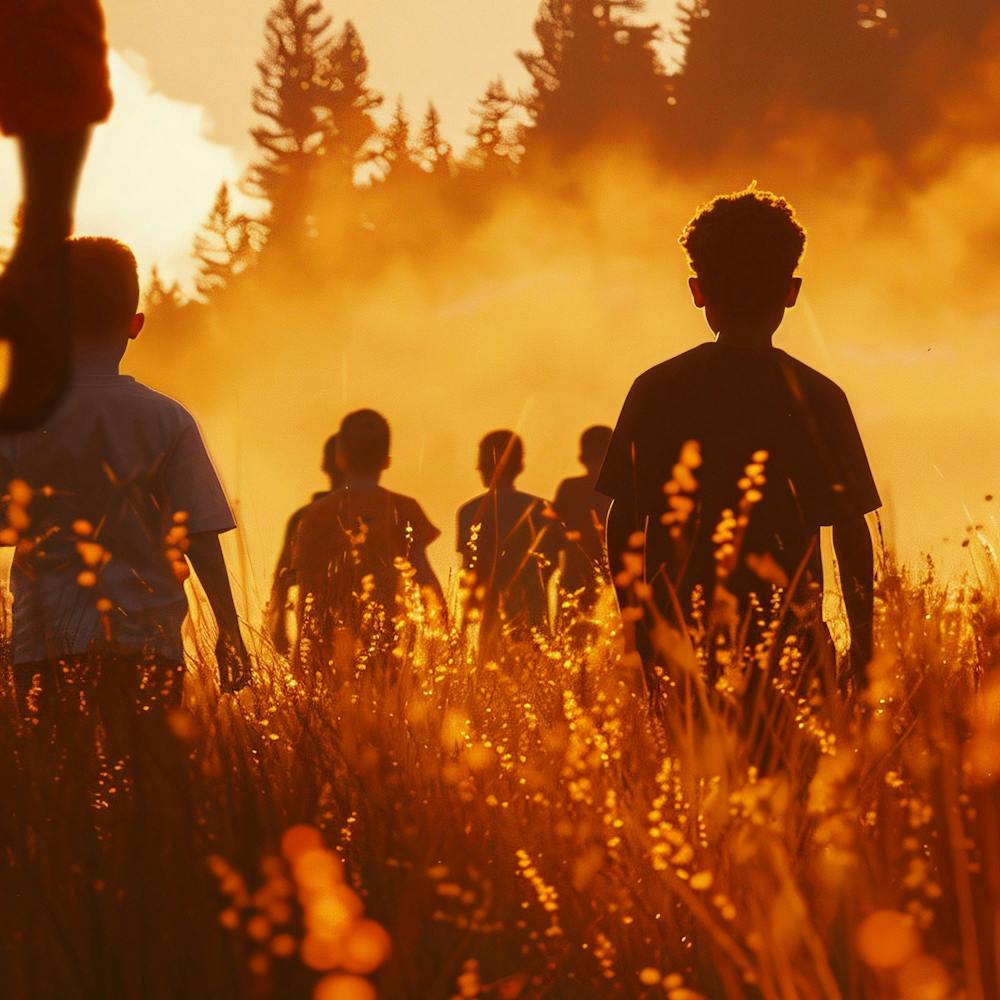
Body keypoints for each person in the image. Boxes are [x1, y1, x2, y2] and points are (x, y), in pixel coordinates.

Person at [598, 188, 879, 692]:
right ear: (791, 292)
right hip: (794, 650)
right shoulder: (818, 396)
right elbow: (851, 532)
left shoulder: (658, 389)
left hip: (680, 647)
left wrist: (636, 634)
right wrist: (864, 647)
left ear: (697, 289)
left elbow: (624, 520)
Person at [0, 237, 251, 710]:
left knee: (58, 778)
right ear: (134, 325)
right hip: (146, 647)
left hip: (45, 645)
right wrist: (229, 630)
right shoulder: (167, 418)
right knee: (144, 776)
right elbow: (199, 534)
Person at [0, 0, 113, 429]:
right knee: (44, 226)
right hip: (55, 64)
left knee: (44, 227)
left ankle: (27, 323)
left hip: (53, 64)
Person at [292, 409, 444, 665]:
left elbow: (307, 591)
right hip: (388, 651)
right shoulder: (404, 508)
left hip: (328, 655)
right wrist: (445, 630)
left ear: (340, 459)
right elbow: (424, 576)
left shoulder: (316, 515)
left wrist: (302, 653)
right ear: (386, 460)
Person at [457, 431, 561, 653]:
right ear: (520, 466)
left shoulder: (470, 512)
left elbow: (469, 575)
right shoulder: (544, 510)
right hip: (534, 616)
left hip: (489, 620)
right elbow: (554, 569)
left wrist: (463, 630)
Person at [268, 434, 344, 654]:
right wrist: (279, 624)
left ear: (325, 465)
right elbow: (284, 576)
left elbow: (283, 577)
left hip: (314, 636)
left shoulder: (303, 517)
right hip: (322, 636)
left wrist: (279, 624)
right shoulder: (305, 518)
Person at [553, 425, 613, 610]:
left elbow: (555, 536)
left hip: (574, 579)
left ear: (582, 458)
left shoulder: (570, 489)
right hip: (613, 580)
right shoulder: (622, 492)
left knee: (575, 634)